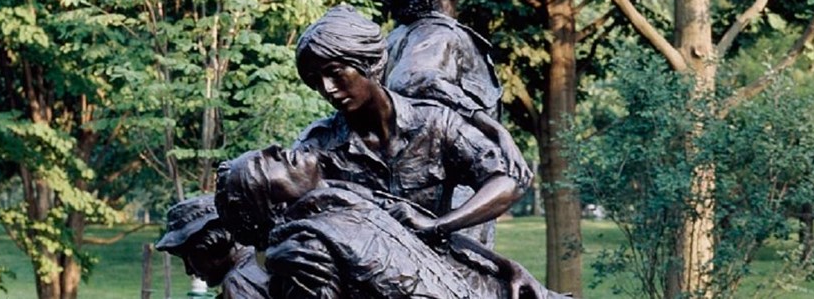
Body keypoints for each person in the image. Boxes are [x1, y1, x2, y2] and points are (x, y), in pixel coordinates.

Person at [292, 5, 530, 245]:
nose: (327, 88)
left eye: (335, 73)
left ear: (370, 62)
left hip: (438, 268)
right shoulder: (317, 145)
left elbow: (509, 181)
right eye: (316, 81)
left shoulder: (435, 123)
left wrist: (437, 226)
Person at [213, 146, 561, 299]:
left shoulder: (344, 197)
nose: (277, 148)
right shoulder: (302, 250)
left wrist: (506, 265)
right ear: (272, 207)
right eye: (266, 162)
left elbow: (436, 240)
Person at [155, 196, 269, 299]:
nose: (188, 270)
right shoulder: (261, 262)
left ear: (209, 244)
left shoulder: (239, 283)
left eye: (188, 257)